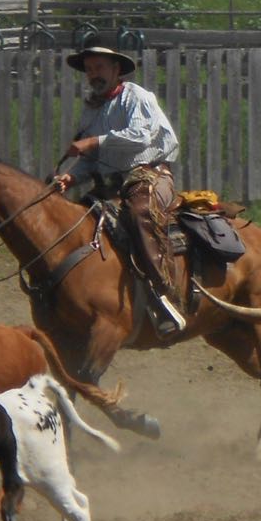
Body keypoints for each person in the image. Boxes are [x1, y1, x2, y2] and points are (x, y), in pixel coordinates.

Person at [51, 45, 186, 336]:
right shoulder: (92, 109)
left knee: (140, 215)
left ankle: (165, 297)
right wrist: (70, 178)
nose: (93, 74)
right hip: (109, 184)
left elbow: (140, 137)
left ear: (115, 70)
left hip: (148, 175)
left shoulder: (136, 96)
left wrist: (93, 142)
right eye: (89, 69)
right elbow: (89, 160)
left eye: (99, 67)